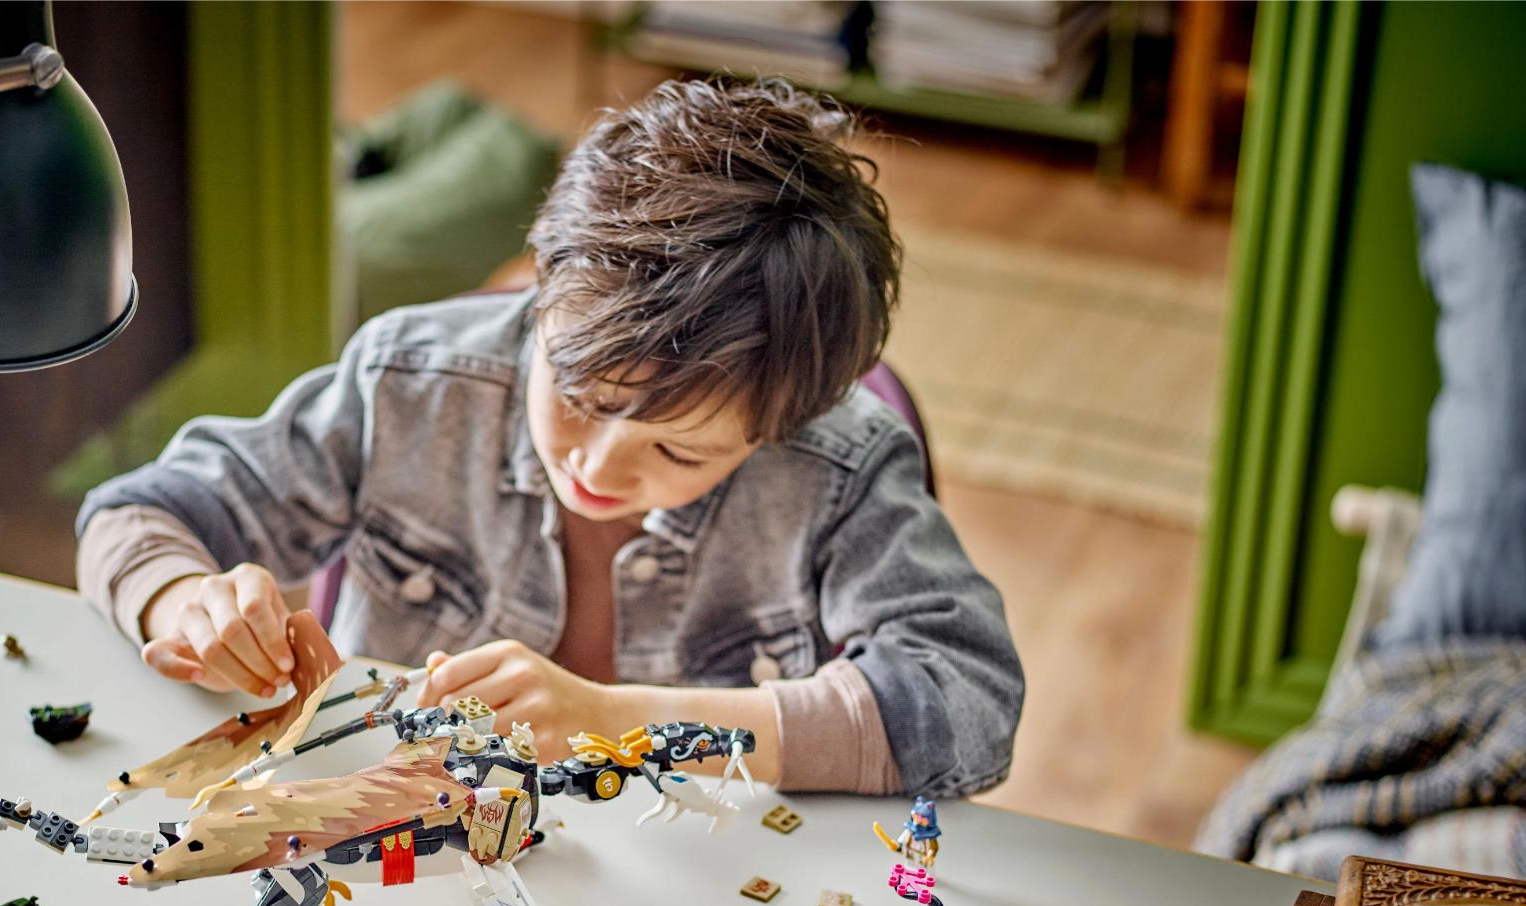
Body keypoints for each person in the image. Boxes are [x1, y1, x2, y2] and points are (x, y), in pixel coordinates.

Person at [76, 78, 1022, 797]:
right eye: (576, 392)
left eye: (680, 452)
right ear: (542, 284)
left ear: (782, 427)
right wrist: (185, 604)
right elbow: (137, 514)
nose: (595, 465)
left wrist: (624, 724)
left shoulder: (840, 467)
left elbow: (969, 704)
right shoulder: (410, 381)